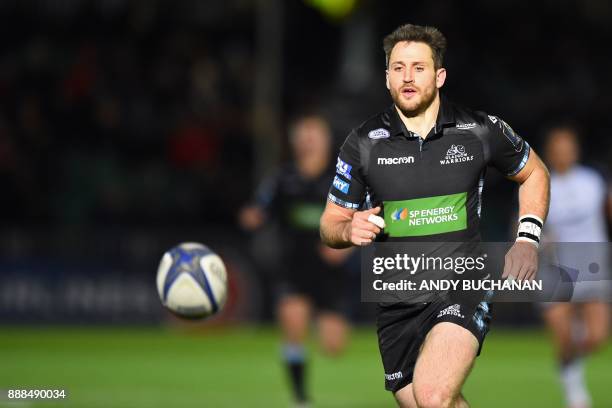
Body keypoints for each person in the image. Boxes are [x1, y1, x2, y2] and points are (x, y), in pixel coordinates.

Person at [319, 24, 550, 407]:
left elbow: (534, 172)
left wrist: (527, 238)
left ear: (439, 76)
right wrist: (347, 227)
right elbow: (330, 222)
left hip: (462, 284)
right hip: (396, 303)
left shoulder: (478, 130)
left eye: (419, 67)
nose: (408, 77)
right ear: (387, 77)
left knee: (433, 395)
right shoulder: (362, 142)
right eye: (398, 68)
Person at [240, 115, 352, 406]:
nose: (308, 140)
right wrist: (252, 216)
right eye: (303, 135)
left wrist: (345, 245)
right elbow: (258, 209)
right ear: (294, 141)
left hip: (330, 273)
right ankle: (301, 397)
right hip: (293, 266)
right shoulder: (282, 178)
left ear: (327, 141)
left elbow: (361, 220)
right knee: (292, 323)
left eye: (314, 135)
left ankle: (320, 321)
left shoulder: (341, 179)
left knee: (334, 346)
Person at [541, 125, 610, 408]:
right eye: (558, 148)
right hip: (558, 270)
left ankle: (572, 364)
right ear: (550, 152)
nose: (563, 153)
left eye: (567, 147)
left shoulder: (593, 181)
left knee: (597, 336)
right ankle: (573, 389)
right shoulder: (541, 184)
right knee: (564, 335)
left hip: (594, 266)